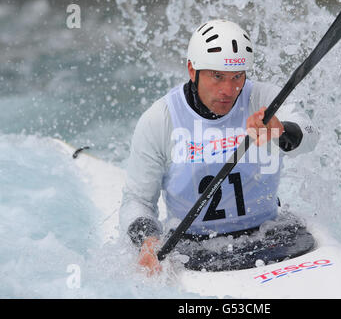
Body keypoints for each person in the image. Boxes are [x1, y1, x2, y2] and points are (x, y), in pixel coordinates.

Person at [119, 19, 320, 275]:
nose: (229, 89)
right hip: (193, 247)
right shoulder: (160, 119)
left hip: (270, 235)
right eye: (217, 76)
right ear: (193, 70)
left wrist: (280, 130)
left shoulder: (264, 98)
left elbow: (311, 134)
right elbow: (137, 200)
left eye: (237, 76)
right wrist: (147, 242)